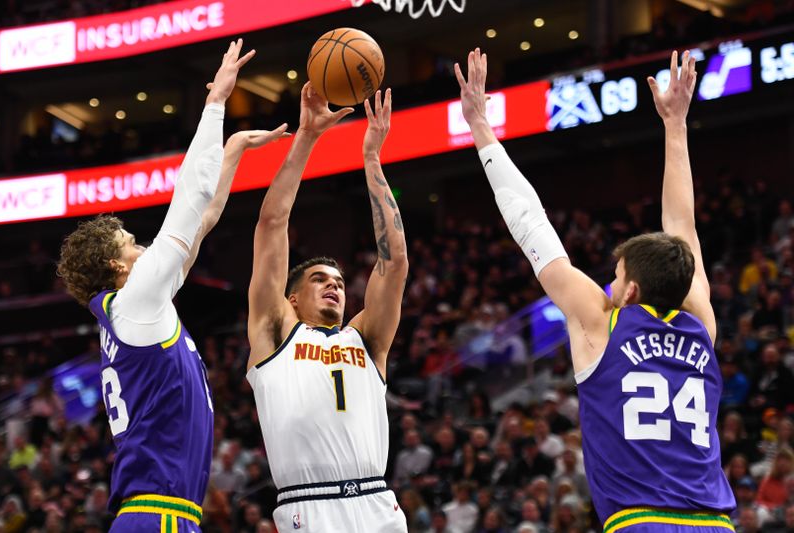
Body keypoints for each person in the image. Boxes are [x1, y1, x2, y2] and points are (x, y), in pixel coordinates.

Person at [455, 48, 735, 530]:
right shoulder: (700, 323)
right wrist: (675, 125)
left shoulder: (600, 323)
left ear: (630, 292)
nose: (609, 282)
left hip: (641, 522)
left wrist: (480, 125)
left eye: (617, 274)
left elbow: (531, 223)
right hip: (715, 523)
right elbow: (682, 226)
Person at [57, 39, 289, 532]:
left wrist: (230, 156)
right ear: (117, 267)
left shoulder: (139, 310)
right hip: (158, 516)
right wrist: (216, 103)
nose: (144, 249)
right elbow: (188, 200)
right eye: (132, 243)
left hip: (159, 514)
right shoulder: (136, 303)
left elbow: (200, 221)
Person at [245, 86, 408, 532]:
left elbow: (394, 262)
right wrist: (307, 137)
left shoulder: (366, 337)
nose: (334, 287)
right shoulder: (276, 330)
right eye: (319, 280)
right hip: (308, 507)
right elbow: (271, 224)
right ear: (291, 297)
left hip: (377, 502)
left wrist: (372, 157)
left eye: (338, 282)